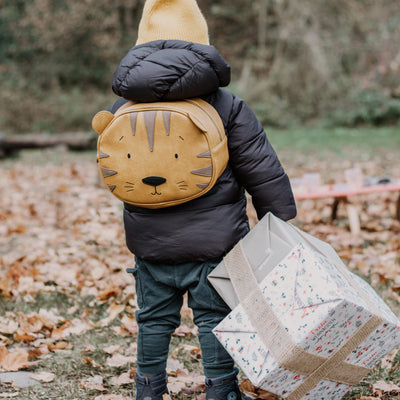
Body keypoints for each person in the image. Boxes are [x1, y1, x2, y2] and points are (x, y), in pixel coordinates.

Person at [108, 0, 297, 399]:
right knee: (213, 318)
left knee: (153, 320)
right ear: (200, 44)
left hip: (149, 242)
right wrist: (277, 218)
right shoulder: (226, 105)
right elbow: (260, 165)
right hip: (216, 243)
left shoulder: (125, 106)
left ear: (142, 43)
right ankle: (220, 390)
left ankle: (147, 389)